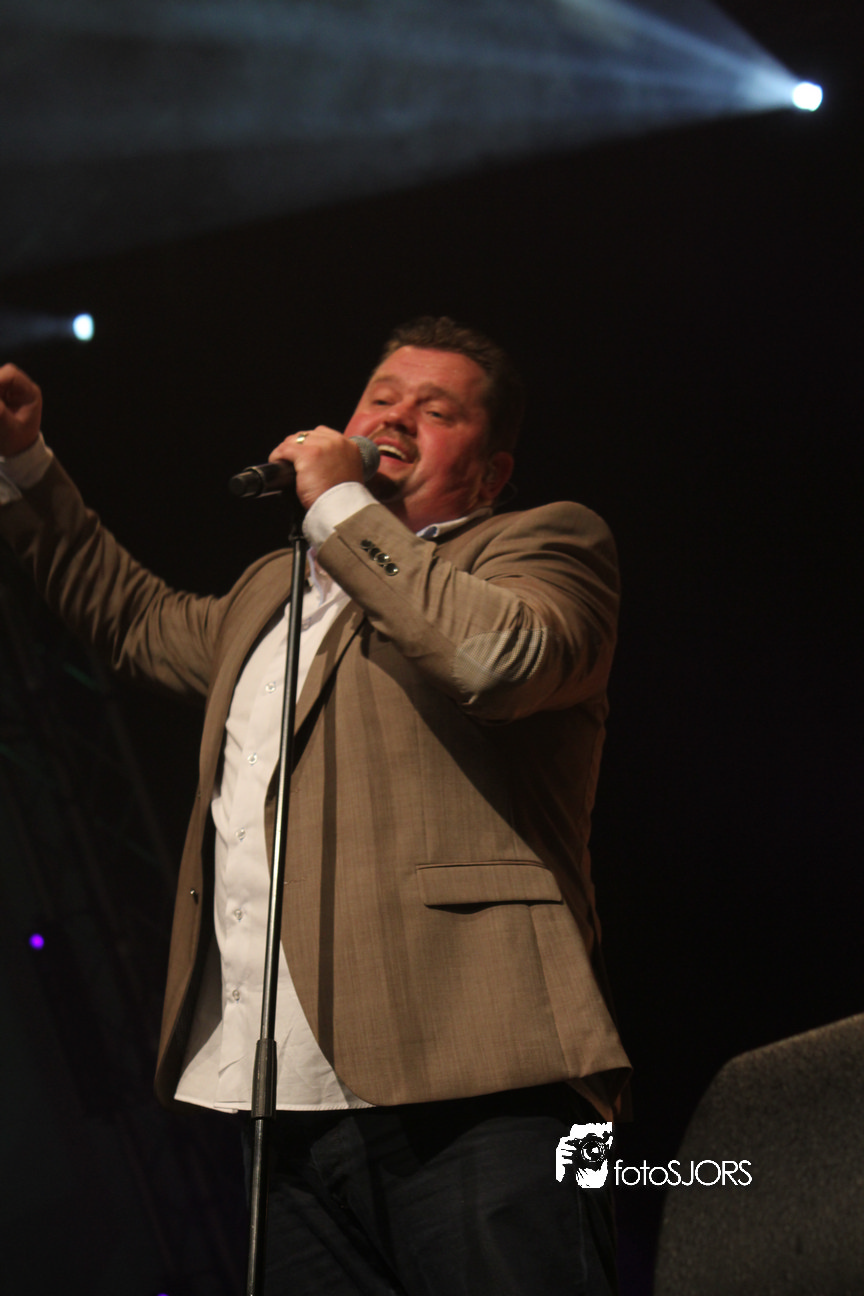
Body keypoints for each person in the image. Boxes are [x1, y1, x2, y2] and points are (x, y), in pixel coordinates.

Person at [0, 317, 631, 1294]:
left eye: (438, 411)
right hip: (284, 1103)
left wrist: (339, 503)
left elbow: (497, 661)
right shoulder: (275, 592)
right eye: (382, 398)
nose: (398, 418)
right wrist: (25, 462)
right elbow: (132, 619)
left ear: (491, 472)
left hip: (486, 1081)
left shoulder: (541, 544)